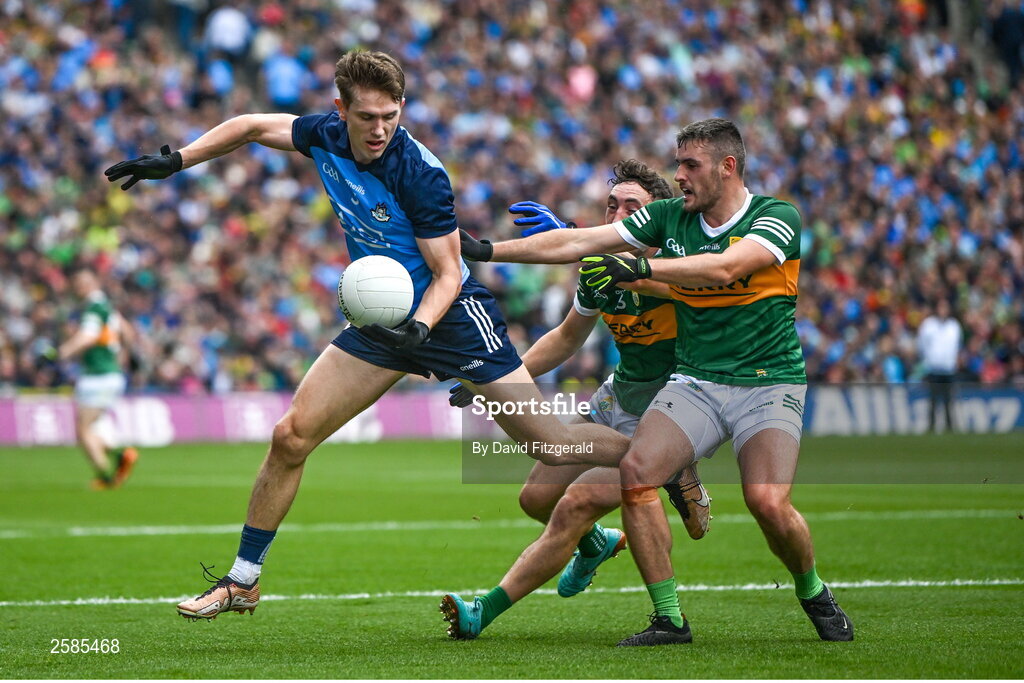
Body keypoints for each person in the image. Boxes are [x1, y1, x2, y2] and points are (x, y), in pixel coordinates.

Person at [103, 49, 631, 621]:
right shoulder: (323, 134)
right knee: (291, 437)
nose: (379, 129)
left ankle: (661, 454)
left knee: (551, 446)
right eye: (367, 117)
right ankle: (243, 580)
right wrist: (178, 160)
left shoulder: (420, 173)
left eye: (391, 115)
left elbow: (451, 273)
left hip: (451, 319)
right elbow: (252, 126)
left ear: (401, 108)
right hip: (382, 320)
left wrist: (422, 326)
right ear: (341, 110)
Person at [459, 118, 853, 645]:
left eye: (690, 165)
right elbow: (581, 247)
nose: (681, 174)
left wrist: (635, 270)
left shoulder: (776, 217)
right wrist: (484, 251)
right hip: (693, 383)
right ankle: (670, 620)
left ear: (727, 166)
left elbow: (723, 268)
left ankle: (812, 590)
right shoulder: (665, 220)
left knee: (768, 504)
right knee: (631, 473)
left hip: (767, 381)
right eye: (678, 164)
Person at [440, 160, 711, 640]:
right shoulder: (599, 272)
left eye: (633, 207)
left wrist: (574, 238)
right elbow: (566, 338)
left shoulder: (681, 264)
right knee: (537, 498)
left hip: (668, 413)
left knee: (575, 504)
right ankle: (597, 545)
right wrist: (499, 377)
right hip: (616, 399)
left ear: (657, 217)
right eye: (612, 206)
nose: (619, 214)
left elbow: (699, 288)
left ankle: (483, 610)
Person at [57, 269, 139, 490]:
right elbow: (128, 332)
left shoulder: (94, 308)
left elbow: (88, 336)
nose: (78, 287)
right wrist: (123, 357)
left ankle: (105, 476)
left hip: (97, 375)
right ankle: (121, 455)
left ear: (91, 284)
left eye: (82, 283)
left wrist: (62, 352)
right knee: (90, 427)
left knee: (83, 430)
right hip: (111, 374)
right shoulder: (108, 307)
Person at [917, 298, 962, 432]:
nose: (943, 311)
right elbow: (921, 345)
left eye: (945, 307)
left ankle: (949, 426)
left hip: (949, 368)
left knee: (949, 400)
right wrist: (929, 359)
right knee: (933, 400)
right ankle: (931, 425)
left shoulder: (954, 326)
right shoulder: (928, 325)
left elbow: (957, 346)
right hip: (934, 368)